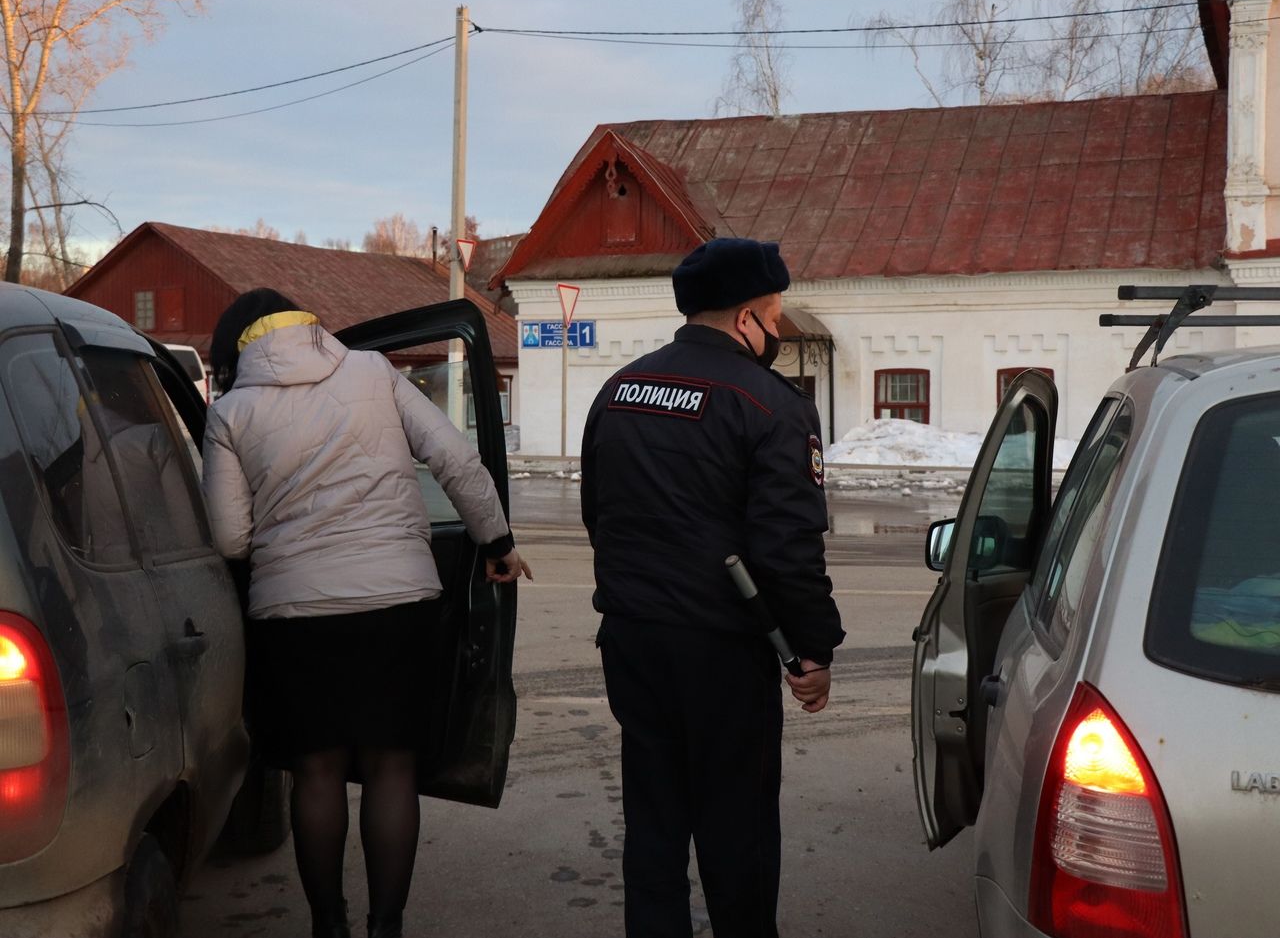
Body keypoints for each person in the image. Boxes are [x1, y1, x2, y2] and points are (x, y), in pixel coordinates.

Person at [202, 288, 531, 938]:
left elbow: (230, 538)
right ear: (307, 325)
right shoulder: (373, 370)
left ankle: (329, 924)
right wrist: (496, 542)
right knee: (391, 767)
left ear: (239, 346)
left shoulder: (231, 412)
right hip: (396, 605)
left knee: (317, 770)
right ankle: (387, 926)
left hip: (292, 614)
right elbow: (457, 460)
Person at [580, 237, 846, 938]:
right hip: (723, 653)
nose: (779, 333)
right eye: (776, 317)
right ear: (747, 317)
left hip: (632, 640)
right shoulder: (769, 404)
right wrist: (812, 650)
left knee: (654, 824)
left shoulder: (619, 390)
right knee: (739, 832)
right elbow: (788, 548)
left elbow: (596, 515)